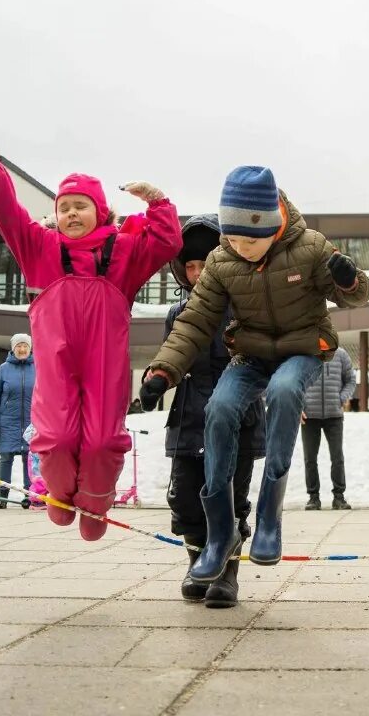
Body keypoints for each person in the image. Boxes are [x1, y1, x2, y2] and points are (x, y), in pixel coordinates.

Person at [139, 166, 369, 595]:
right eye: (234, 239)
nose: (241, 249)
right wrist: (162, 371)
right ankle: (222, 531)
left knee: (283, 392)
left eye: (251, 240)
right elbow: (193, 322)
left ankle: (269, 517)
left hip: (304, 349)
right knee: (220, 407)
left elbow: (355, 296)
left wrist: (349, 278)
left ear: (274, 222)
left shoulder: (310, 247)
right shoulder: (223, 260)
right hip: (249, 354)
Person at [0, 127, 182, 539]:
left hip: (105, 366)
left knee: (103, 440)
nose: (70, 214)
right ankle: (60, 496)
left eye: (80, 206)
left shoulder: (123, 253)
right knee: (58, 436)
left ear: (100, 212)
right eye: (64, 207)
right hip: (57, 367)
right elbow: (7, 213)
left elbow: (167, 242)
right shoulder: (40, 249)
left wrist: (158, 201)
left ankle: (97, 503)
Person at [162, 213, 266, 607]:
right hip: (188, 421)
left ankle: (226, 575)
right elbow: (172, 360)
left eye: (205, 263)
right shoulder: (177, 315)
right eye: (189, 265)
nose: (197, 272)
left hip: (237, 422)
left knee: (228, 498)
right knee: (186, 499)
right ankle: (198, 564)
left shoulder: (248, 310)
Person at [301, 346, 356, 511]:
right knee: (310, 459)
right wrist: (300, 405)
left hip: (334, 415)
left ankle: (339, 498)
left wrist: (341, 398)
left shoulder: (341, 354)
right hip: (309, 416)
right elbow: (297, 381)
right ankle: (313, 498)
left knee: (337, 458)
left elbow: (350, 380)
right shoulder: (305, 353)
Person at [0, 333, 36, 508]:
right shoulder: (4, 369)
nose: (22, 349)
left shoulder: (38, 367)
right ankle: (3, 496)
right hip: (7, 420)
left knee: (28, 457)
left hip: (32, 421)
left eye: (25, 346)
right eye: (18, 346)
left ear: (30, 348)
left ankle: (29, 494)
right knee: (6, 457)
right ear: (13, 348)